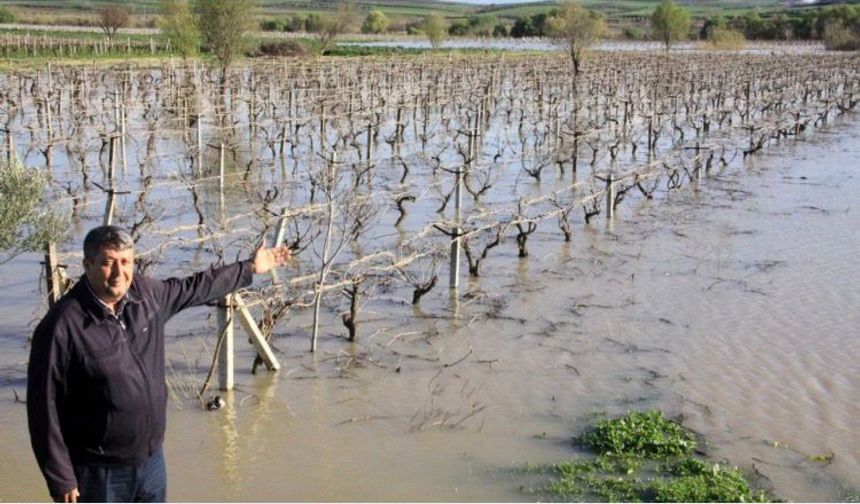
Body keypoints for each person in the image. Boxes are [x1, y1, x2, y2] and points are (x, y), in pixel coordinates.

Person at [27, 226, 291, 502]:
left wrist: (249, 268)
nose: (119, 273)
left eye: (126, 262)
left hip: (151, 462)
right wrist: (61, 477)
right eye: (108, 263)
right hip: (98, 472)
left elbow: (196, 287)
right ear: (87, 264)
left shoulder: (146, 296)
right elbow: (42, 408)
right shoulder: (62, 326)